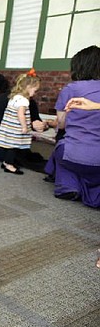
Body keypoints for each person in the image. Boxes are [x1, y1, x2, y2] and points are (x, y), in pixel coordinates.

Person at [44, 45, 100, 207]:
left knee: (62, 147)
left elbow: (61, 124)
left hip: (74, 155)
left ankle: (68, 186)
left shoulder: (71, 89)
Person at [0, 73, 41, 175]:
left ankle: (6, 162)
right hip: (16, 128)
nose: (35, 93)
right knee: (13, 147)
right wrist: (24, 127)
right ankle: (9, 164)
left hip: (8, 127)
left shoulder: (15, 97)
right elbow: (21, 114)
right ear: (28, 87)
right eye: (34, 90)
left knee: (8, 145)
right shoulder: (24, 101)